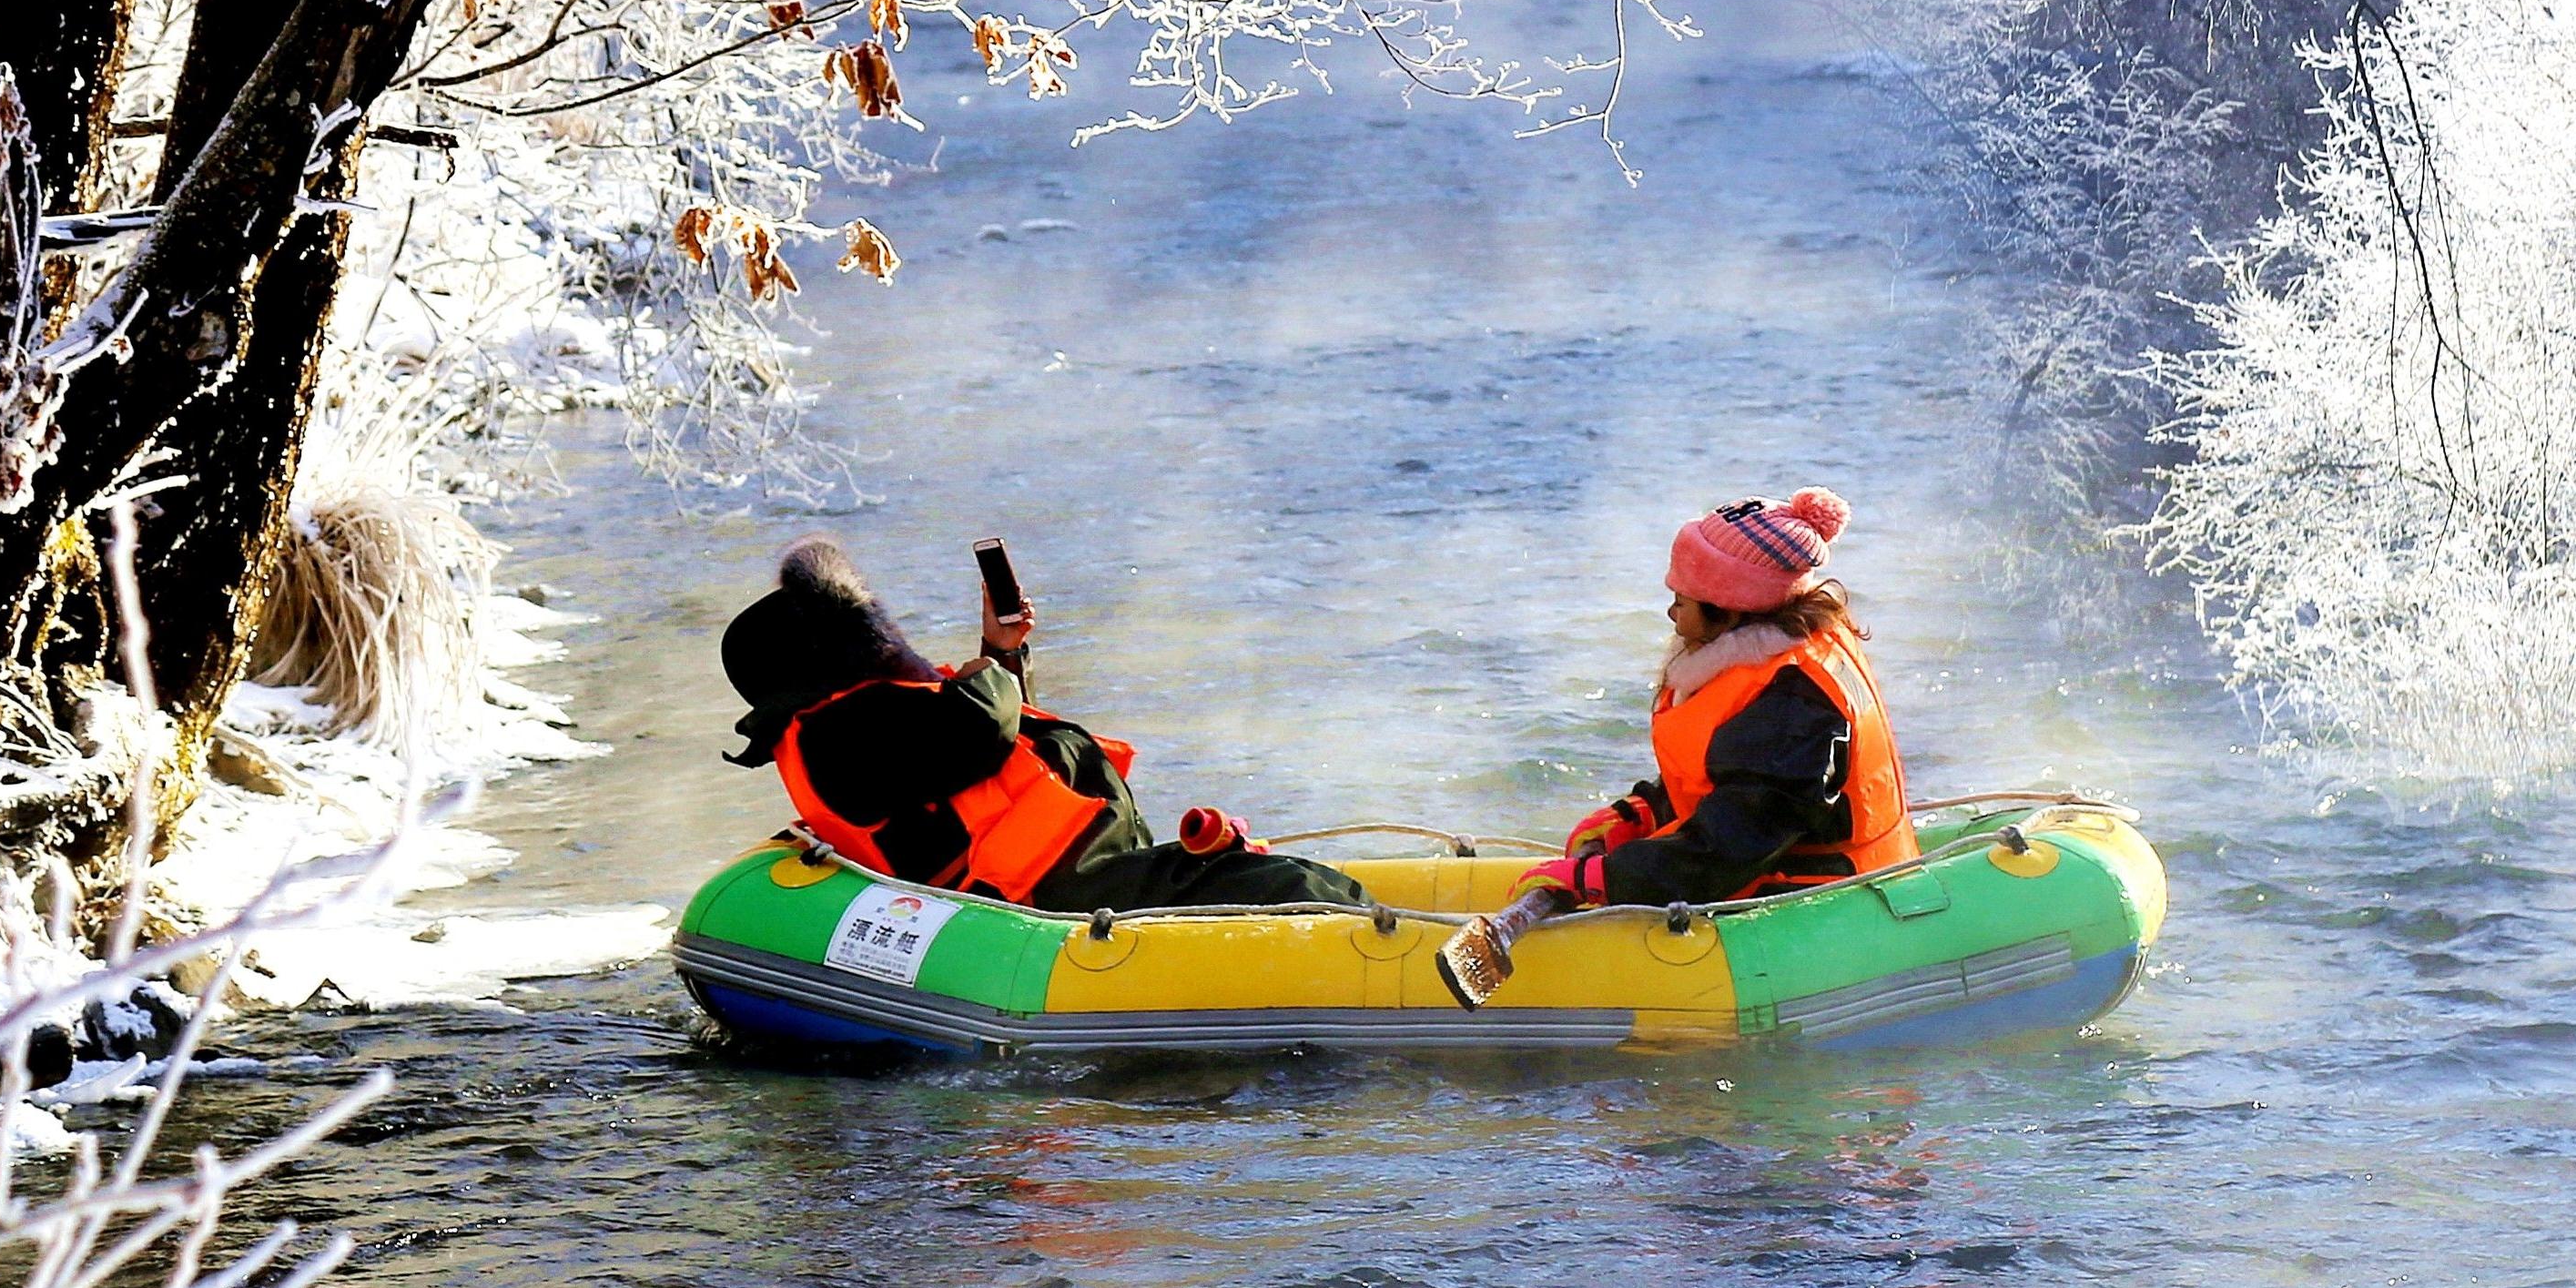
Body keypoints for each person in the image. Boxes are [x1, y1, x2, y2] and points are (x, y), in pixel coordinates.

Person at [1440, 487, 1911, 1000]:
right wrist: (1641, 812)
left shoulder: (1793, 701)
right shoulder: (1771, 661)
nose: (1671, 615)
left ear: (1731, 609)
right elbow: (1729, 776)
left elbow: (1729, 848)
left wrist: (1602, 880)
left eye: (1681, 602)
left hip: (1821, 900)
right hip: (1771, 866)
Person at [720, 540, 1363, 912]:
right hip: (1051, 892)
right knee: (1290, 886)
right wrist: (984, 675)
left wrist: (999, 651)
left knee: (1256, 875)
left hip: (1075, 869)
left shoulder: (861, 718)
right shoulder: (842, 733)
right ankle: (1423, 963)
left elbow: (983, 756)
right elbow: (976, 730)